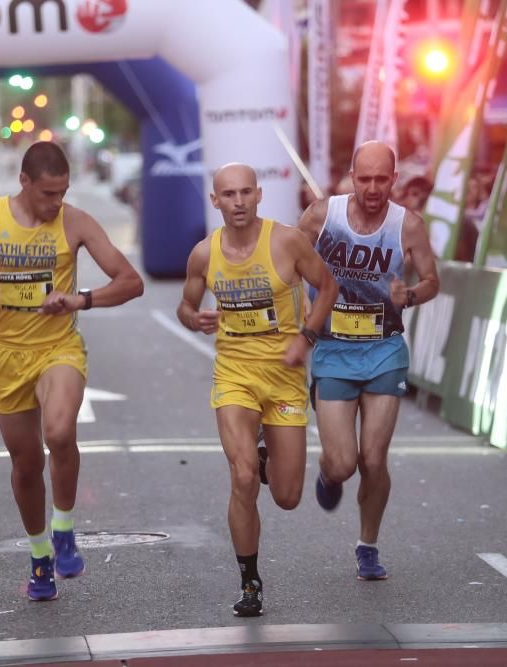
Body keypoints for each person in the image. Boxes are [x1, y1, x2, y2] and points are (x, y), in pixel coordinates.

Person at [0, 141, 144, 601]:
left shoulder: (75, 222)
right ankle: (39, 557)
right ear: (24, 183)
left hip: (58, 348)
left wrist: (80, 299)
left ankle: (64, 527)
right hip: (7, 355)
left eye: (63, 192)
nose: (56, 202)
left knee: (61, 431)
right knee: (26, 465)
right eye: (48, 193)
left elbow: (131, 281)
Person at [177, 163, 337, 617]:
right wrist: (196, 319)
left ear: (260, 195)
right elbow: (186, 306)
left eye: (246, 192)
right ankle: (249, 581)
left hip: (284, 376)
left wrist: (305, 336)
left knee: (287, 496)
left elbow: (327, 286)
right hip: (234, 375)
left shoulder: (286, 241)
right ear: (215, 202)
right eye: (229, 194)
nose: (239, 201)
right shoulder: (204, 254)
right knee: (242, 477)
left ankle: (268, 456)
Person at [296, 141, 440, 581]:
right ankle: (327, 474)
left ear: (393, 178)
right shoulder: (322, 216)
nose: (373, 188)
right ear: (351, 177)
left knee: (373, 460)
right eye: (365, 179)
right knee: (343, 463)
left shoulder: (407, 226)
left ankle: (367, 545)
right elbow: (287, 263)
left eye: (382, 179)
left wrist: (410, 294)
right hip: (334, 349)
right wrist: (305, 308)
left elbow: (433, 280)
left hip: (383, 350)